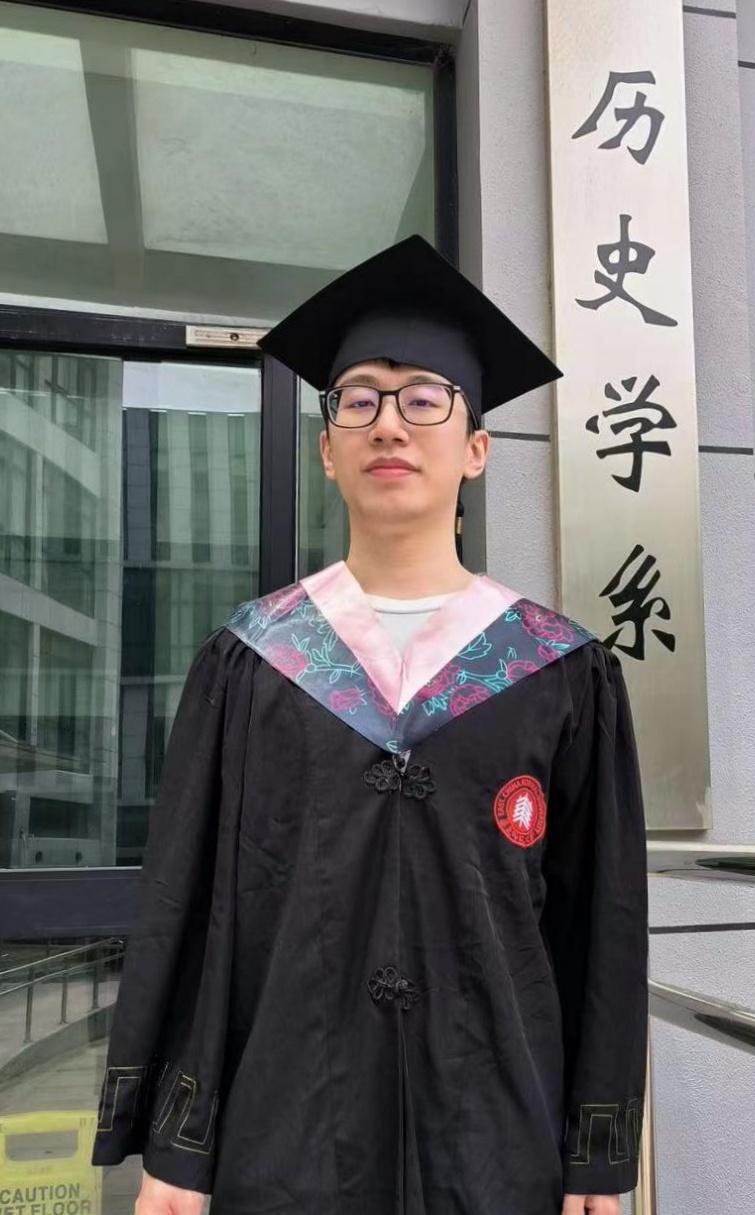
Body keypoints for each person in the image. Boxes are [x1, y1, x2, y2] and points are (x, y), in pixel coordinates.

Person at [91, 236, 649, 1215]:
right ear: (327, 450)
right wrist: (178, 1147)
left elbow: (597, 924)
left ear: (475, 449)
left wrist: (594, 1158)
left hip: (492, 1146)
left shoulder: (558, 672)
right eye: (357, 400)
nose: (388, 422)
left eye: (424, 398)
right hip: (286, 1140)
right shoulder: (252, 661)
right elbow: (192, 910)